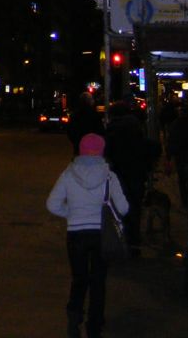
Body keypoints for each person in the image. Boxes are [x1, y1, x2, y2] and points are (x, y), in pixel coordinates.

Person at [46, 133, 129, 338]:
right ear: (102, 151)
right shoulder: (109, 175)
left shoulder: (68, 173)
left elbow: (52, 204)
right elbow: (124, 208)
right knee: (98, 281)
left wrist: (71, 213)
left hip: (76, 234)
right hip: (101, 234)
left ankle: (74, 320)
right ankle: (94, 326)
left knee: (79, 279)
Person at [103, 99, 152, 256]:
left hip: (119, 174)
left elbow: (106, 152)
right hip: (136, 173)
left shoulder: (112, 130)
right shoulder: (136, 127)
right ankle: (133, 243)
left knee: (118, 208)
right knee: (134, 208)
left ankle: (119, 241)